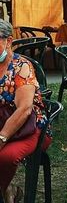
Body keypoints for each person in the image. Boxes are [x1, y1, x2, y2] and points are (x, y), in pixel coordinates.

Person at [0, 20, 51, 202]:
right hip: (3, 122)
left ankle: (5, 191)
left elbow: (24, 109)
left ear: (8, 41)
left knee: (6, 156)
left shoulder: (22, 67)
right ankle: (8, 190)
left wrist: (2, 138)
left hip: (29, 127)